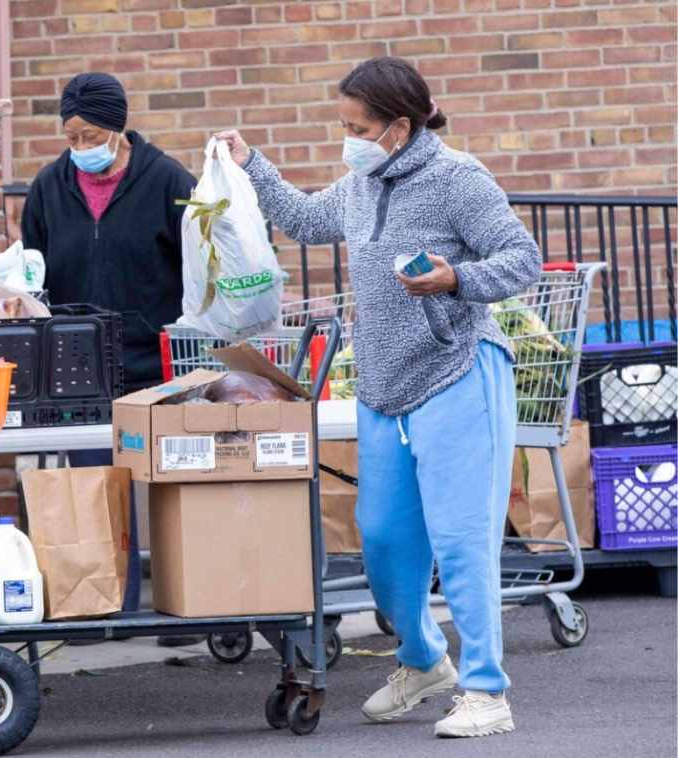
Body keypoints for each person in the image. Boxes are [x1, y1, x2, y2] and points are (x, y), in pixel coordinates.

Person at [217, 56, 540, 739]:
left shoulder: (458, 179)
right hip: (385, 388)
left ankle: (487, 690)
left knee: (461, 541)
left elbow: (521, 260)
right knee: (386, 541)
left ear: (399, 126)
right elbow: (304, 218)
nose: (349, 138)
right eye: (344, 125)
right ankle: (424, 662)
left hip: (458, 373)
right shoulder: (362, 182)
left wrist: (455, 278)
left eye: (358, 127)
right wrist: (251, 165)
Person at [19, 72, 196, 637]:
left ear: (119, 129)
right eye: (70, 136)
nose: (80, 148)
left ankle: (189, 602)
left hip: (156, 361)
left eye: (90, 135)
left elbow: (200, 271)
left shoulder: (170, 181)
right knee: (94, 488)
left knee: (174, 485)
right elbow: (34, 275)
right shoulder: (48, 188)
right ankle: (104, 608)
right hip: (78, 368)